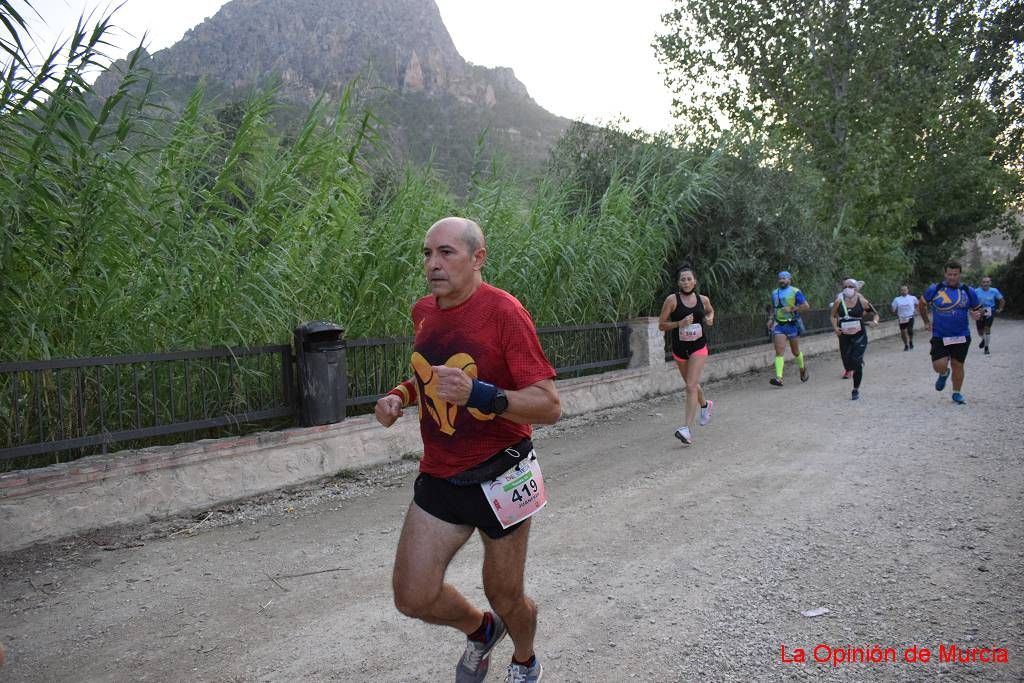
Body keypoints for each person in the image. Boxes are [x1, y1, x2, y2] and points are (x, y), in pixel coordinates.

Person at [375, 217, 560, 683]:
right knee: (412, 596)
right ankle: (481, 632)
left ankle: (525, 659)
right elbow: (431, 377)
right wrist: (401, 395)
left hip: (503, 475)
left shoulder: (504, 313)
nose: (432, 264)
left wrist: (481, 396)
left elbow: (549, 405)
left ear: (478, 258)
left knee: (506, 594)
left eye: (446, 253)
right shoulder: (424, 311)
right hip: (440, 476)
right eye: (427, 253)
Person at [658, 265, 716, 445]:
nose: (686, 282)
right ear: (678, 282)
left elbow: (710, 311)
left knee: (690, 386)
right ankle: (706, 405)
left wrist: (710, 318)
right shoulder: (672, 300)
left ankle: (686, 429)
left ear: (695, 281)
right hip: (680, 349)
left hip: (699, 347)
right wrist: (679, 323)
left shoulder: (703, 300)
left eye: (689, 279)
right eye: (682, 279)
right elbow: (662, 325)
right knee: (692, 384)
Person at [918, 260, 983, 405]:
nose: (952, 277)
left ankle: (957, 393)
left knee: (957, 364)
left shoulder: (968, 291)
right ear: (945, 274)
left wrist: (976, 314)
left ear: (960, 274)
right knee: (938, 365)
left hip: (961, 335)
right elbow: (921, 304)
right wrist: (926, 321)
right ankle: (943, 373)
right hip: (940, 335)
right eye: (949, 274)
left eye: (955, 274)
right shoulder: (935, 289)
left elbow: (979, 308)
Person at [831, 278, 880, 400]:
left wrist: (875, 321)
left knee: (856, 363)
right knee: (848, 362)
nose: (848, 289)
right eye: (845, 286)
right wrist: (835, 327)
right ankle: (853, 364)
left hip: (859, 335)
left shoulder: (862, 301)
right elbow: (832, 315)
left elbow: (875, 314)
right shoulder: (838, 301)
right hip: (844, 336)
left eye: (851, 286)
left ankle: (855, 389)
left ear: (855, 288)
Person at [766, 271, 810, 386]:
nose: (782, 280)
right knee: (779, 351)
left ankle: (802, 368)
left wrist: (792, 309)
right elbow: (773, 308)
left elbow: (806, 306)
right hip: (779, 325)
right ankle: (779, 378)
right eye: (780, 278)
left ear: (790, 280)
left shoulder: (795, 291)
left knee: (795, 352)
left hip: (792, 324)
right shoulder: (774, 293)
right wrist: (771, 319)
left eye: (785, 278)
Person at [973, 276, 1005, 355]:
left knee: (987, 328)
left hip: (990, 310)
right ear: (981, 283)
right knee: (980, 331)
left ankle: (986, 348)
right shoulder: (976, 291)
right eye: (984, 282)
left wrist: (1000, 309)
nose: (985, 284)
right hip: (979, 310)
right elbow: (971, 301)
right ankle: (984, 340)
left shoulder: (994, 291)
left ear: (990, 283)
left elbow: (1002, 300)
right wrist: (972, 309)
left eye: (987, 282)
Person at [891, 285, 919, 351]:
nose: (904, 291)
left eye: (905, 290)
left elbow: (918, 304)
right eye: (902, 290)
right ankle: (906, 345)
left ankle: (911, 341)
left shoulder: (912, 298)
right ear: (900, 291)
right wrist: (894, 312)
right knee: (903, 332)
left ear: (908, 290)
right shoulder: (897, 299)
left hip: (910, 316)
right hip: (902, 318)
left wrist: (915, 310)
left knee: (910, 330)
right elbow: (893, 309)